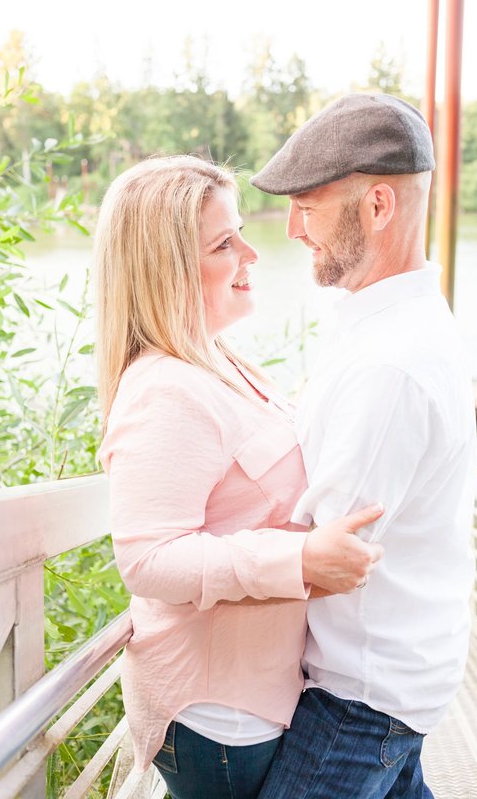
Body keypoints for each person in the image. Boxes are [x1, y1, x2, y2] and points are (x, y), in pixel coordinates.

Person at [95, 155, 385, 799]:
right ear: (166, 268)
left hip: (261, 692)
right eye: (225, 243)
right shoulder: (165, 390)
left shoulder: (219, 361)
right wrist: (301, 557)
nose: (253, 253)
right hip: (219, 716)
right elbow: (147, 560)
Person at [251, 94, 477, 798]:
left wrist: (181, 557)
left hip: (357, 703)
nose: (291, 229)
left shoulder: (391, 363)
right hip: (390, 685)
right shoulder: (382, 326)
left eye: (308, 206)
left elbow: (323, 555)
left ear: (378, 206)